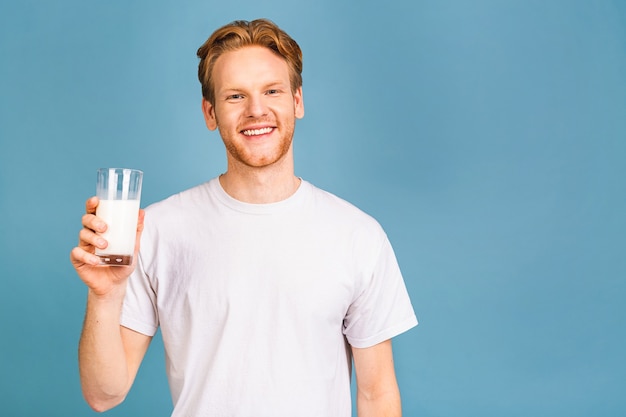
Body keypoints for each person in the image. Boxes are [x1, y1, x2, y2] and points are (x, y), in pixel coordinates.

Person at [71, 18, 417, 417]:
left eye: (272, 91)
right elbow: (104, 395)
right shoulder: (156, 230)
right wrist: (105, 295)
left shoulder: (358, 235)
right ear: (210, 112)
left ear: (297, 101)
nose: (256, 110)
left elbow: (377, 396)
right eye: (235, 96)